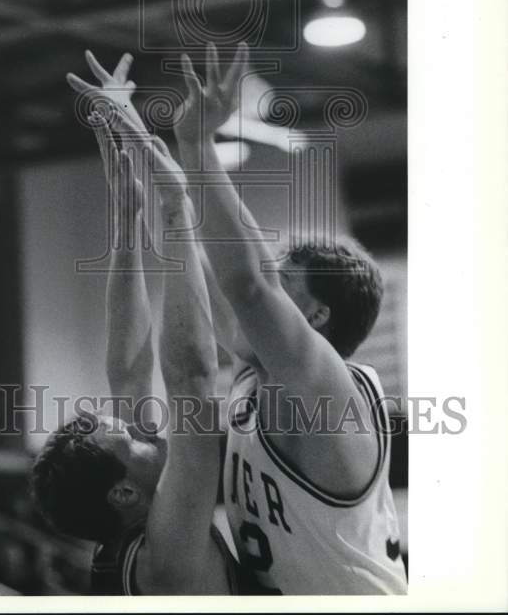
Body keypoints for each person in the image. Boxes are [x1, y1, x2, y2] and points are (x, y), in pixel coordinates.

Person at [168, 42, 407, 595]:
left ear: (317, 316)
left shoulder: (332, 390)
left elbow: (251, 285)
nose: (272, 285)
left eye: (287, 284)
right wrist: (171, 190)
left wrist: (197, 145)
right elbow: (241, 268)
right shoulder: (258, 370)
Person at [31, 53, 242, 595]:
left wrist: (126, 223)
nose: (145, 422)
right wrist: (174, 211)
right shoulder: (166, 555)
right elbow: (192, 376)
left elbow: (127, 371)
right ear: (124, 493)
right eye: (134, 436)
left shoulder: (129, 540)